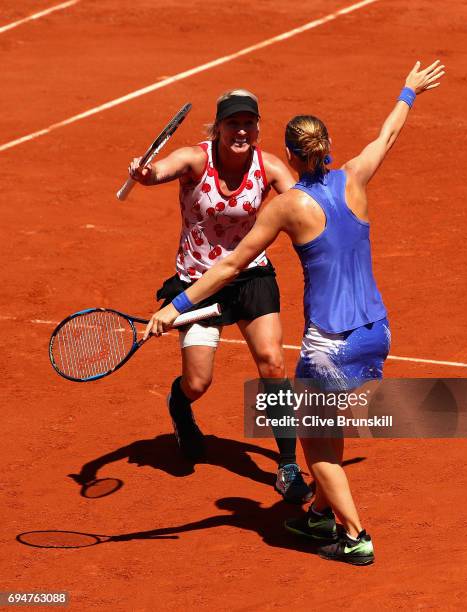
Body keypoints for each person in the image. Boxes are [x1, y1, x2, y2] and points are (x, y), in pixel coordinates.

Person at [143, 60, 445, 564]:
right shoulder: (356, 176)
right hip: (376, 332)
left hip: (330, 343)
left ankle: (354, 534)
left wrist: (175, 307)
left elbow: (232, 264)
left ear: (288, 153)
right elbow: (387, 135)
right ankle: (321, 515)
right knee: (331, 425)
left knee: (317, 449)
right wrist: (408, 92)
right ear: (326, 146)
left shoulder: (288, 207)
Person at [128, 89, 312, 503]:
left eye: (249, 124)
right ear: (219, 128)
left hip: (250, 277)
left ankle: (286, 465)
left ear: (258, 128)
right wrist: (145, 173)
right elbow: (162, 170)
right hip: (198, 284)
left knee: (272, 361)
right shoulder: (197, 159)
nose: (241, 131)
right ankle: (179, 404)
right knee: (198, 381)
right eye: (233, 124)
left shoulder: (269, 167)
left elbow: (304, 202)